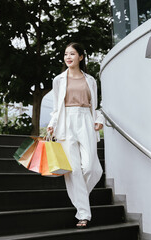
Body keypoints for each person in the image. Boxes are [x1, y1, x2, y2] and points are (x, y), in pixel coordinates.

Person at [47, 42, 104, 229]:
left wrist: (99, 119)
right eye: (65, 54)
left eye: (72, 54)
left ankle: (81, 199)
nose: (68, 57)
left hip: (85, 120)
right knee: (74, 171)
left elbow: (95, 104)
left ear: (81, 56)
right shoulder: (58, 80)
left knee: (92, 168)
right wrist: (51, 125)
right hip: (65, 123)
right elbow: (57, 107)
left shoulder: (91, 80)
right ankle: (83, 214)